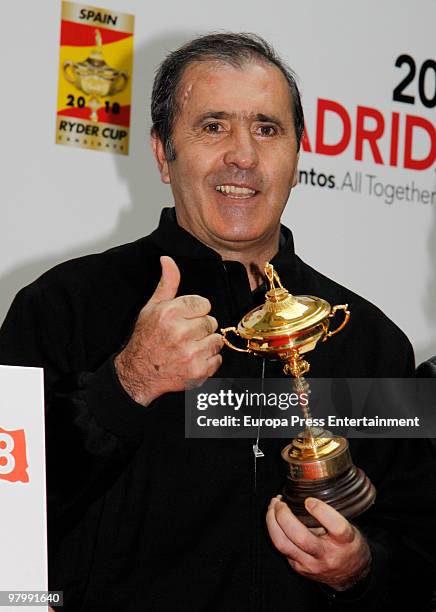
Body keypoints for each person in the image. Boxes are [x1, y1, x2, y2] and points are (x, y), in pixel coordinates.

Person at [0, 33, 435, 611]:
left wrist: (362, 568)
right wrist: (126, 385)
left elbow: (421, 545)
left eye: (267, 128)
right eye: (213, 126)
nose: (244, 156)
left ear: (298, 154)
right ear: (162, 152)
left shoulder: (367, 339)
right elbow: (11, 523)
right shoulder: (63, 306)